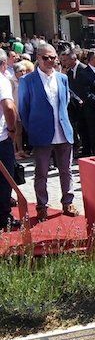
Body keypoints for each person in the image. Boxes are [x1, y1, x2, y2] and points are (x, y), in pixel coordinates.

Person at [18, 44, 78, 221]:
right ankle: (42, 206)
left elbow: (65, 103)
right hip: (41, 133)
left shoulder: (62, 78)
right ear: (38, 58)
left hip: (63, 131)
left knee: (66, 170)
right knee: (41, 172)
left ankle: (68, 202)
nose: (50, 61)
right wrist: (33, 129)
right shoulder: (27, 81)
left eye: (53, 57)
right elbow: (23, 109)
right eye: (46, 58)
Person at [0, 49, 18, 229]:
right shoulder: (2, 80)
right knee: (5, 179)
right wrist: (12, 129)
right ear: (4, 64)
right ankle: (3, 217)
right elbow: (9, 107)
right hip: (1, 138)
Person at [60, 50, 88, 156]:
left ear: (73, 59)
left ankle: (87, 149)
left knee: (86, 128)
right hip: (74, 105)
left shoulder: (84, 69)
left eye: (66, 60)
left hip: (85, 104)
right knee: (78, 127)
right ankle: (82, 148)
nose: (64, 62)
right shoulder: (69, 72)